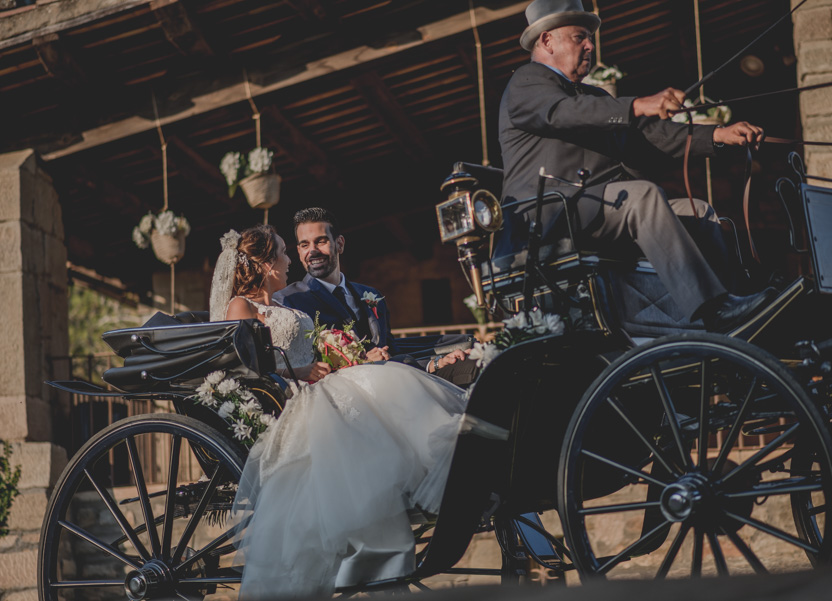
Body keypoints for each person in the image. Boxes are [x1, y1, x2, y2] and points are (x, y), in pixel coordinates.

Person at [209, 225, 468, 599]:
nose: (288, 259)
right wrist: (298, 372)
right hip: (291, 396)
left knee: (383, 383)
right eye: (283, 251)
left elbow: (307, 353)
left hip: (319, 382)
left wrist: (340, 357)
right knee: (375, 396)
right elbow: (239, 368)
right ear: (265, 264)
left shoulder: (283, 304)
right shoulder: (241, 307)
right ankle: (376, 551)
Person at [497, 0, 775, 332]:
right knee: (641, 197)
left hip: (593, 208)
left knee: (699, 211)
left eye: (590, 38)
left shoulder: (593, 96)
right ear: (546, 41)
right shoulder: (527, 82)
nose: (590, 45)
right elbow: (564, 112)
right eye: (579, 37)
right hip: (547, 215)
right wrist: (640, 104)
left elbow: (649, 136)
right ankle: (713, 311)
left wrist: (718, 134)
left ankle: (735, 303)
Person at [274, 207, 478, 387]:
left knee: (476, 362)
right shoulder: (289, 302)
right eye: (304, 245)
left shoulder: (371, 295)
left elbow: (393, 350)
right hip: (348, 395)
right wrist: (360, 362)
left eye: (321, 241)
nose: (313, 251)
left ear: (340, 244)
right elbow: (300, 369)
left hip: (397, 380)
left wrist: (436, 362)